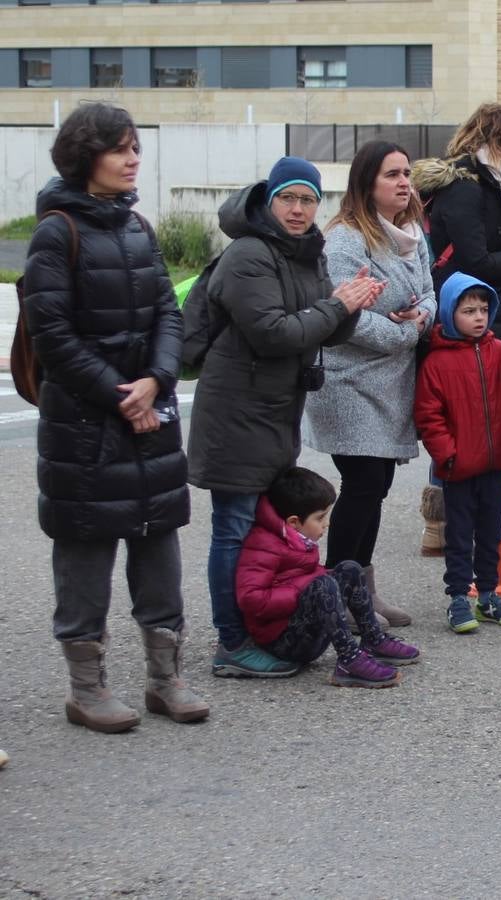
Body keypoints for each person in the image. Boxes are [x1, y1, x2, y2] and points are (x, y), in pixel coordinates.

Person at [24, 102, 207, 732]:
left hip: (147, 414)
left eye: (135, 147)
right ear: (85, 157)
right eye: (119, 148)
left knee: (158, 541)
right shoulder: (56, 232)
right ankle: (87, 687)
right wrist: (118, 393)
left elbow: (168, 312)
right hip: (85, 424)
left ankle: (166, 679)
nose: (133, 159)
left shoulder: (138, 228)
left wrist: (157, 379)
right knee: (86, 548)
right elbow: (51, 333)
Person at [188, 156, 380, 678]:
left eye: (308, 200)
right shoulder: (250, 254)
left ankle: (256, 629)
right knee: (232, 529)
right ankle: (231, 641)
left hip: (273, 412)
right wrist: (337, 307)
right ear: (268, 201)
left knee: (262, 531)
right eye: (288, 198)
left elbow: (321, 329)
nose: (298, 210)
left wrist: (352, 304)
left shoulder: (306, 251)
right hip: (235, 413)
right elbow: (273, 334)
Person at [305, 140, 435, 628]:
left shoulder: (410, 233)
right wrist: (406, 332)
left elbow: (430, 292)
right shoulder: (344, 241)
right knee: (361, 484)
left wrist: (421, 315)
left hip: (391, 381)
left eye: (406, 173)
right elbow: (347, 317)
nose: (404, 182)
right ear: (366, 183)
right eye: (392, 175)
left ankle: (362, 591)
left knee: (376, 483)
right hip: (349, 382)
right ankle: (337, 596)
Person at [235, 467, 419, 689]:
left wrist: (316, 584)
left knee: (349, 568)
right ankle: (349, 660)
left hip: (301, 628)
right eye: (320, 517)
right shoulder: (263, 544)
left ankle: (373, 640)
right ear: (294, 522)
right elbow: (250, 598)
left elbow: (306, 579)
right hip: (281, 642)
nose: (326, 523)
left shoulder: (298, 538)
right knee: (322, 584)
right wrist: (304, 590)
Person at [414, 274, 501, 633]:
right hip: (458, 468)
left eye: (483, 309)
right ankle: (458, 597)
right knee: (459, 534)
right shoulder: (436, 362)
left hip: (496, 464)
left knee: (491, 533)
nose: (479, 317)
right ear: (449, 313)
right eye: (468, 310)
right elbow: (429, 416)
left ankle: (488, 594)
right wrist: (448, 456)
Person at [414, 103, 501, 337]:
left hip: (486, 311)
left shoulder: (481, 184)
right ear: (496, 143)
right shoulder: (465, 188)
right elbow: (476, 262)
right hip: (475, 316)